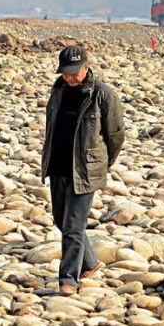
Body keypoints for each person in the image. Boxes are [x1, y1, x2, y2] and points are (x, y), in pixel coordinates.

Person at [41, 45, 125, 296]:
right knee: (61, 221)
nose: (69, 77)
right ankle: (89, 262)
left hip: (86, 171)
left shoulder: (103, 94)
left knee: (74, 226)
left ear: (86, 67)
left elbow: (115, 136)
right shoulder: (58, 90)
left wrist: (102, 164)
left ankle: (68, 280)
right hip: (58, 166)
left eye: (73, 73)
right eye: (65, 73)